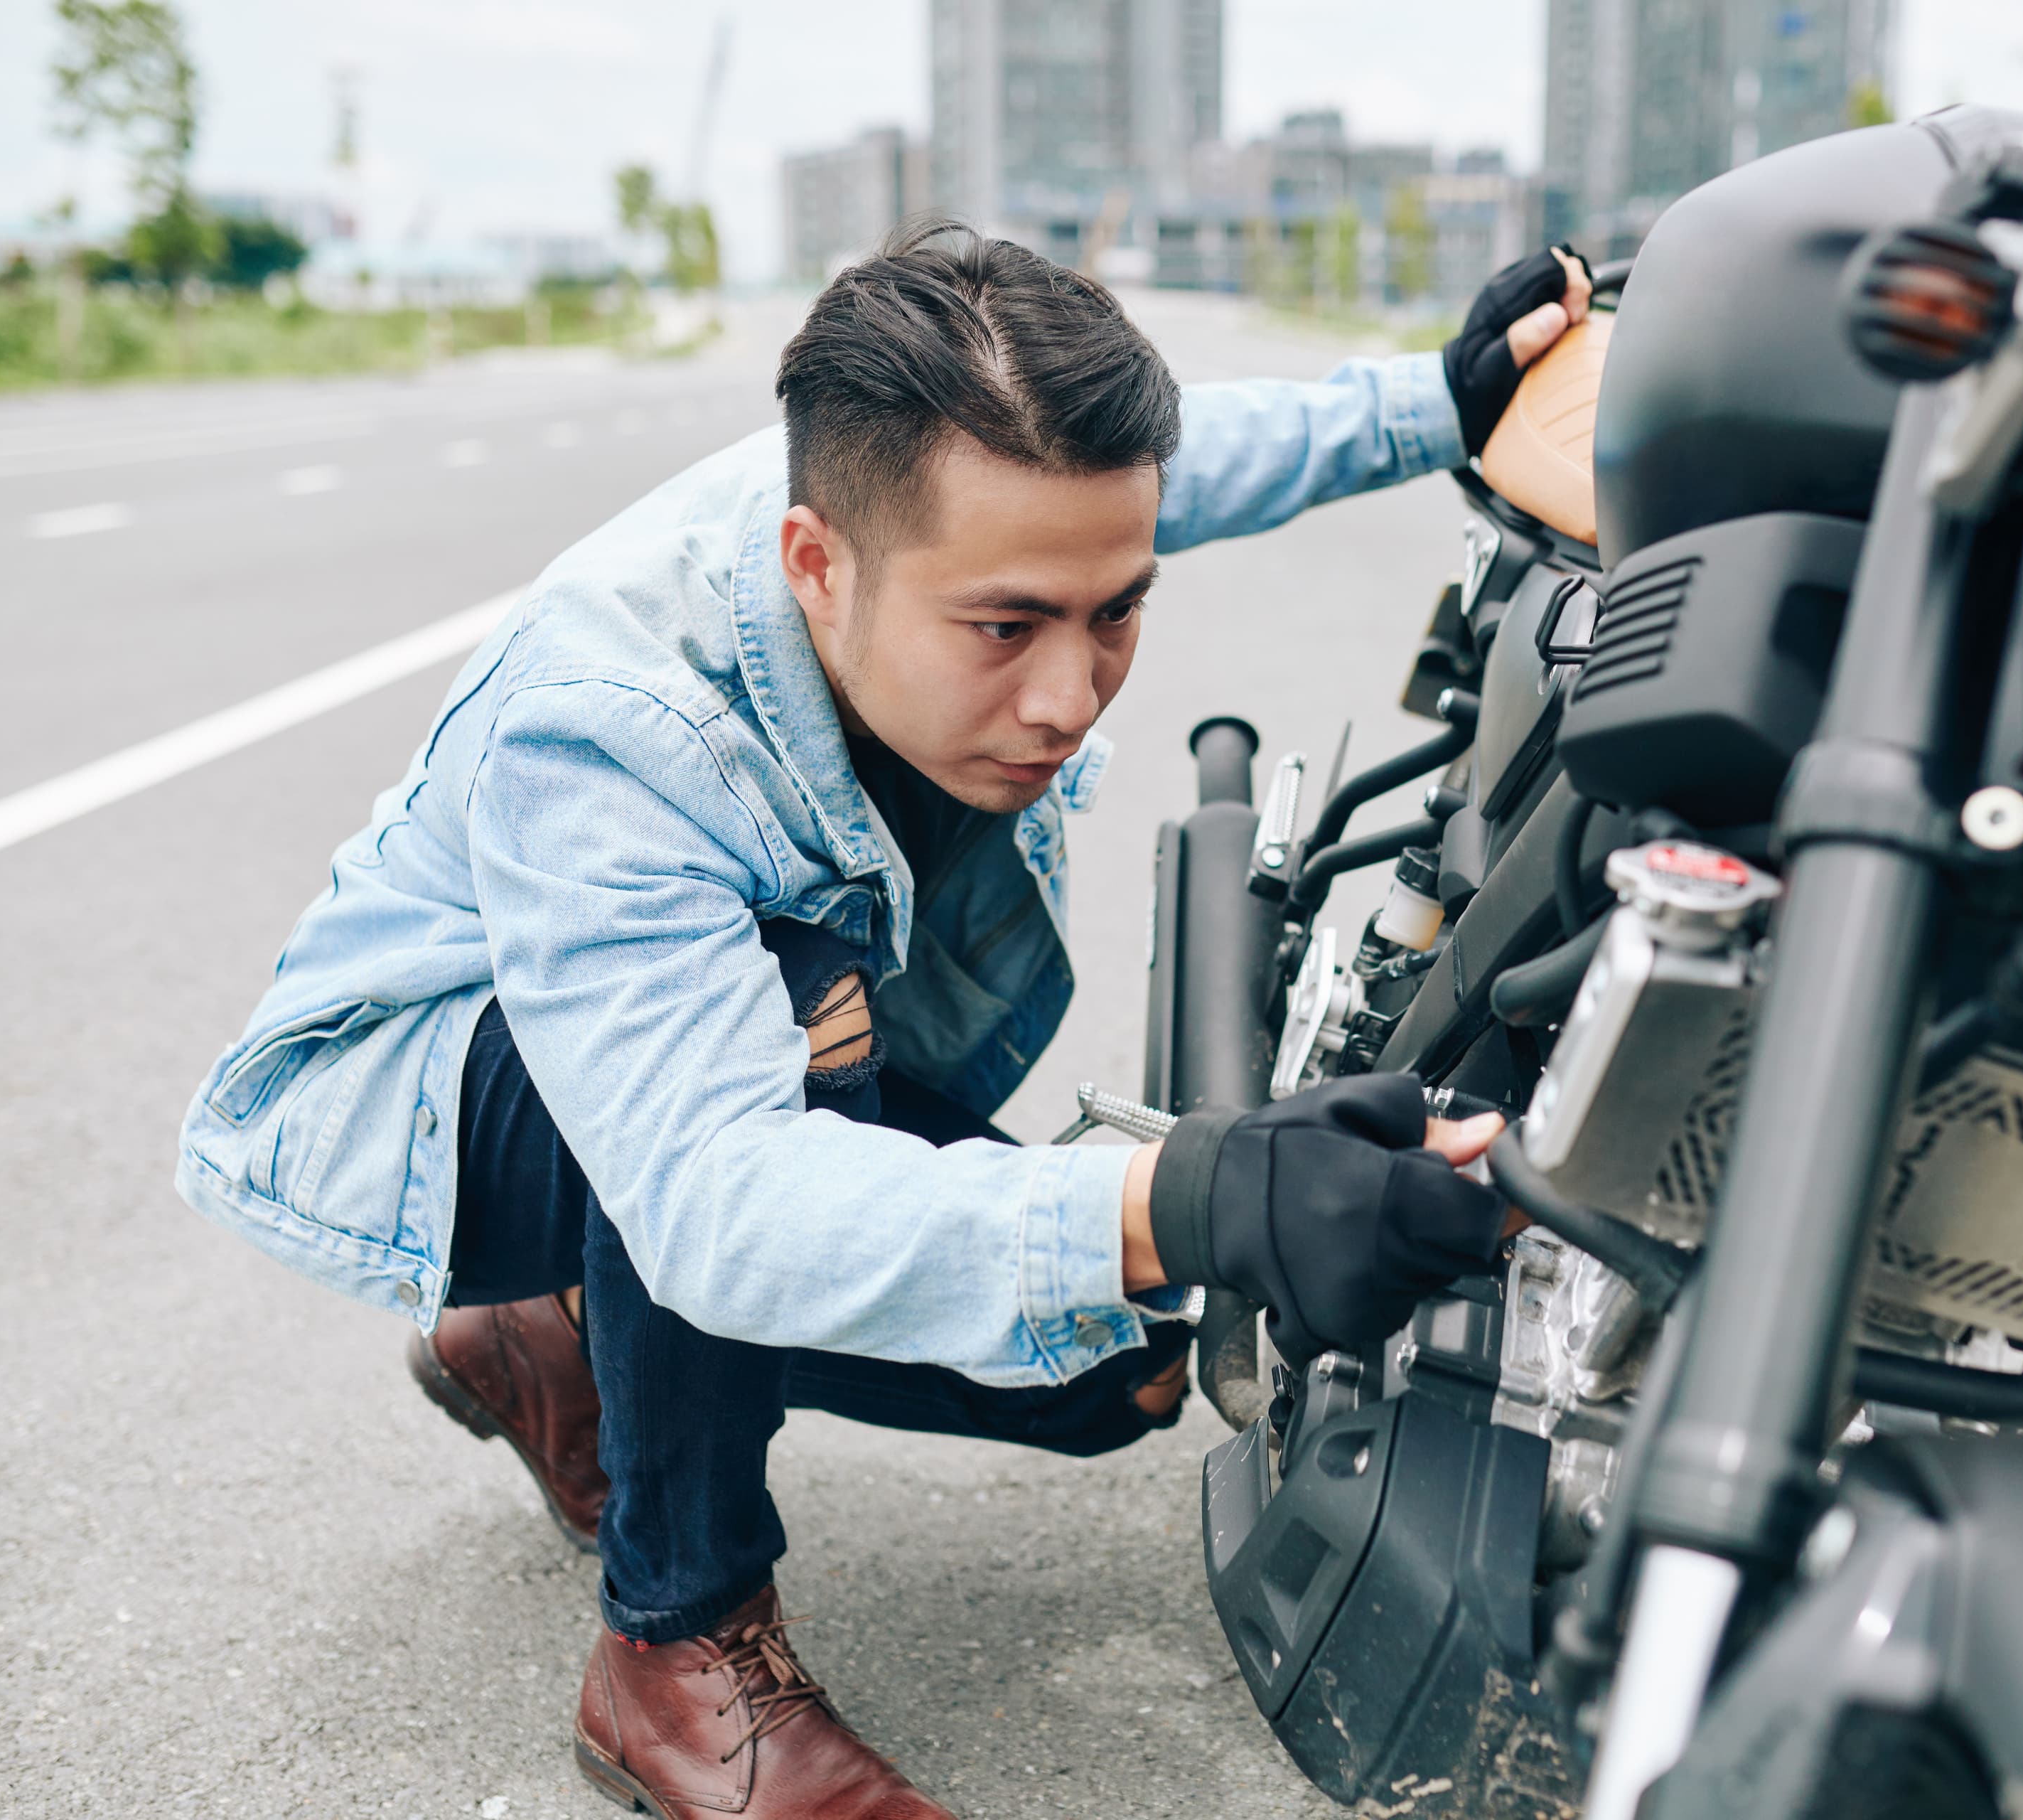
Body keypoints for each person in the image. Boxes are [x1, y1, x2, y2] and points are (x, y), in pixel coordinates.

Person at [176, 223, 1589, 1819]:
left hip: (718, 1058)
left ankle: (548, 1344)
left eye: (1114, 612)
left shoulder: (953, 495)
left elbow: (1182, 464)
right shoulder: (616, 726)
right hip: (429, 1095)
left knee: (1116, 1374)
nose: (1073, 694)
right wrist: (1187, 1193)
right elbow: (719, 1194)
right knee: (775, 1084)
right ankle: (675, 1644)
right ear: (814, 565)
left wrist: (1443, 400)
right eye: (1007, 630)